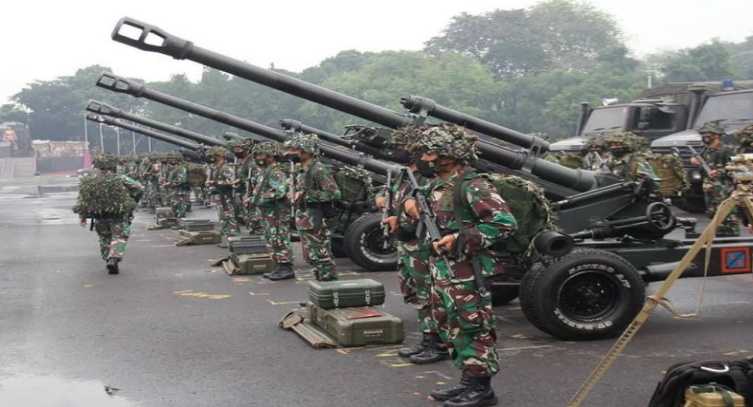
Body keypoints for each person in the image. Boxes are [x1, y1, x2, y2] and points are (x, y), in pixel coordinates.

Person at [403, 124, 516, 407]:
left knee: (473, 326)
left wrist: (460, 238)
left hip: (467, 271)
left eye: (430, 153)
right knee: (451, 327)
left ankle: (481, 388)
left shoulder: (472, 185)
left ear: (449, 155)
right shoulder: (436, 186)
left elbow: (503, 224)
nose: (425, 159)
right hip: (443, 270)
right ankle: (468, 381)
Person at [378, 125, 448, 365]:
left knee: (428, 295)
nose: (397, 151)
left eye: (402, 148)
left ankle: (438, 342)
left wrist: (409, 213)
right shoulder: (403, 176)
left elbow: (431, 213)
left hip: (421, 245)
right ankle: (427, 339)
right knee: (416, 294)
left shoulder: (427, 179)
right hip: (406, 243)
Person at [75, 154, 143, 274]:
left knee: (104, 238)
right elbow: (139, 188)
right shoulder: (121, 178)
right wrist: (132, 200)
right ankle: (113, 258)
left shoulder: (90, 181)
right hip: (118, 216)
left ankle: (107, 258)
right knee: (119, 236)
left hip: (99, 217)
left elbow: (83, 200)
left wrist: (83, 216)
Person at [286, 133, 341, 281]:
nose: (291, 153)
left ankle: (329, 285)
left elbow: (334, 193)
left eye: (295, 150)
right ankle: (321, 286)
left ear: (306, 150)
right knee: (311, 256)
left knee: (321, 255)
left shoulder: (318, 170)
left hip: (316, 219)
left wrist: (306, 195)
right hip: (306, 219)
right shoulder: (301, 169)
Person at [245, 142, 295, 280]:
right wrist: (252, 198)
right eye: (256, 155)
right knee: (272, 239)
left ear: (271, 156)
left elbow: (280, 192)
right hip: (268, 213)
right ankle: (279, 266)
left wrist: (261, 197)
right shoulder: (264, 171)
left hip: (276, 213)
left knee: (280, 239)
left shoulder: (275, 172)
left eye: (261, 155)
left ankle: (286, 267)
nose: (258, 158)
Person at [692, 120, 739, 236]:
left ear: (716, 135)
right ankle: (719, 233)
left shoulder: (726, 150)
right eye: (703, 134)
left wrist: (718, 172)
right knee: (713, 212)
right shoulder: (706, 150)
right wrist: (696, 162)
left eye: (707, 133)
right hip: (710, 188)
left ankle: (731, 235)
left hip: (723, 188)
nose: (704, 136)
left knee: (727, 213)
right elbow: (702, 166)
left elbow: (736, 168)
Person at [206, 147, 241, 246]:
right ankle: (227, 236)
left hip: (227, 195)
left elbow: (232, 182)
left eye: (214, 156)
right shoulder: (216, 168)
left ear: (219, 156)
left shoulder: (225, 168)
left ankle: (234, 239)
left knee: (229, 216)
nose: (212, 158)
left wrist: (215, 182)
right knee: (223, 216)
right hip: (220, 195)